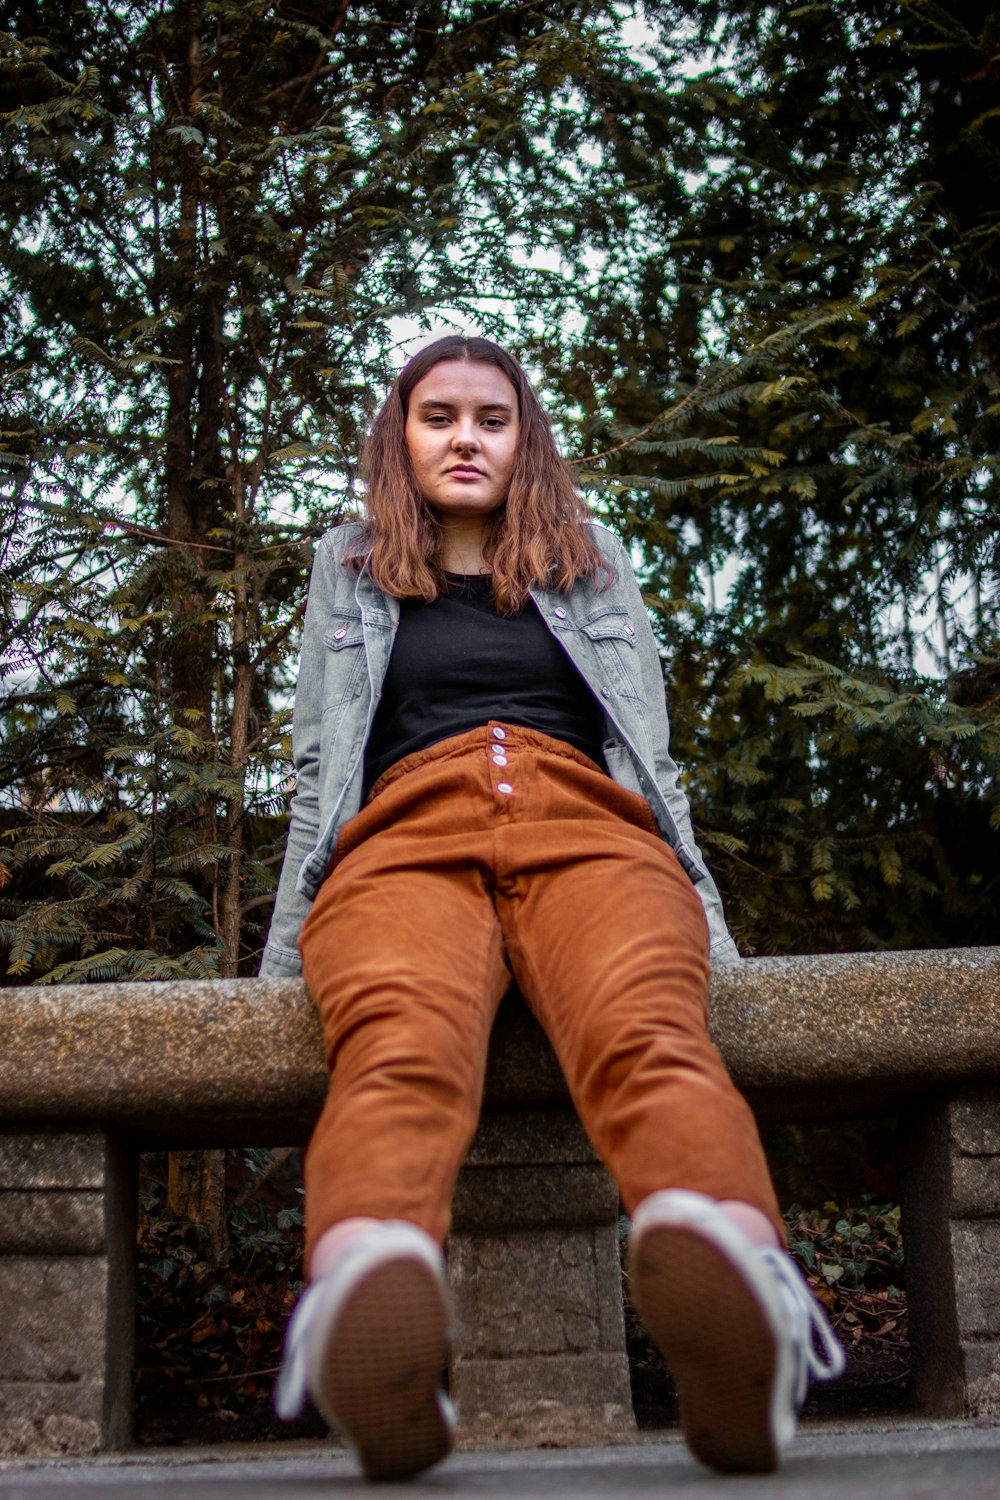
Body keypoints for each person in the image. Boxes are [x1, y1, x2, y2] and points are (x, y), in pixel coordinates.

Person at [260, 335, 844, 1480]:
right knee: (396, 1041)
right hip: (401, 839)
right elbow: (317, 764)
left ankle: (723, 1261)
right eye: (438, 417)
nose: (466, 437)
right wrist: (286, 953)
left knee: (646, 1028)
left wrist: (704, 924)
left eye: (491, 417)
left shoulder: (590, 560)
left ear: (524, 439)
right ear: (401, 436)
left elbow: (651, 758)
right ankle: (372, 1281)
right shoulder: (349, 565)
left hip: (590, 829)